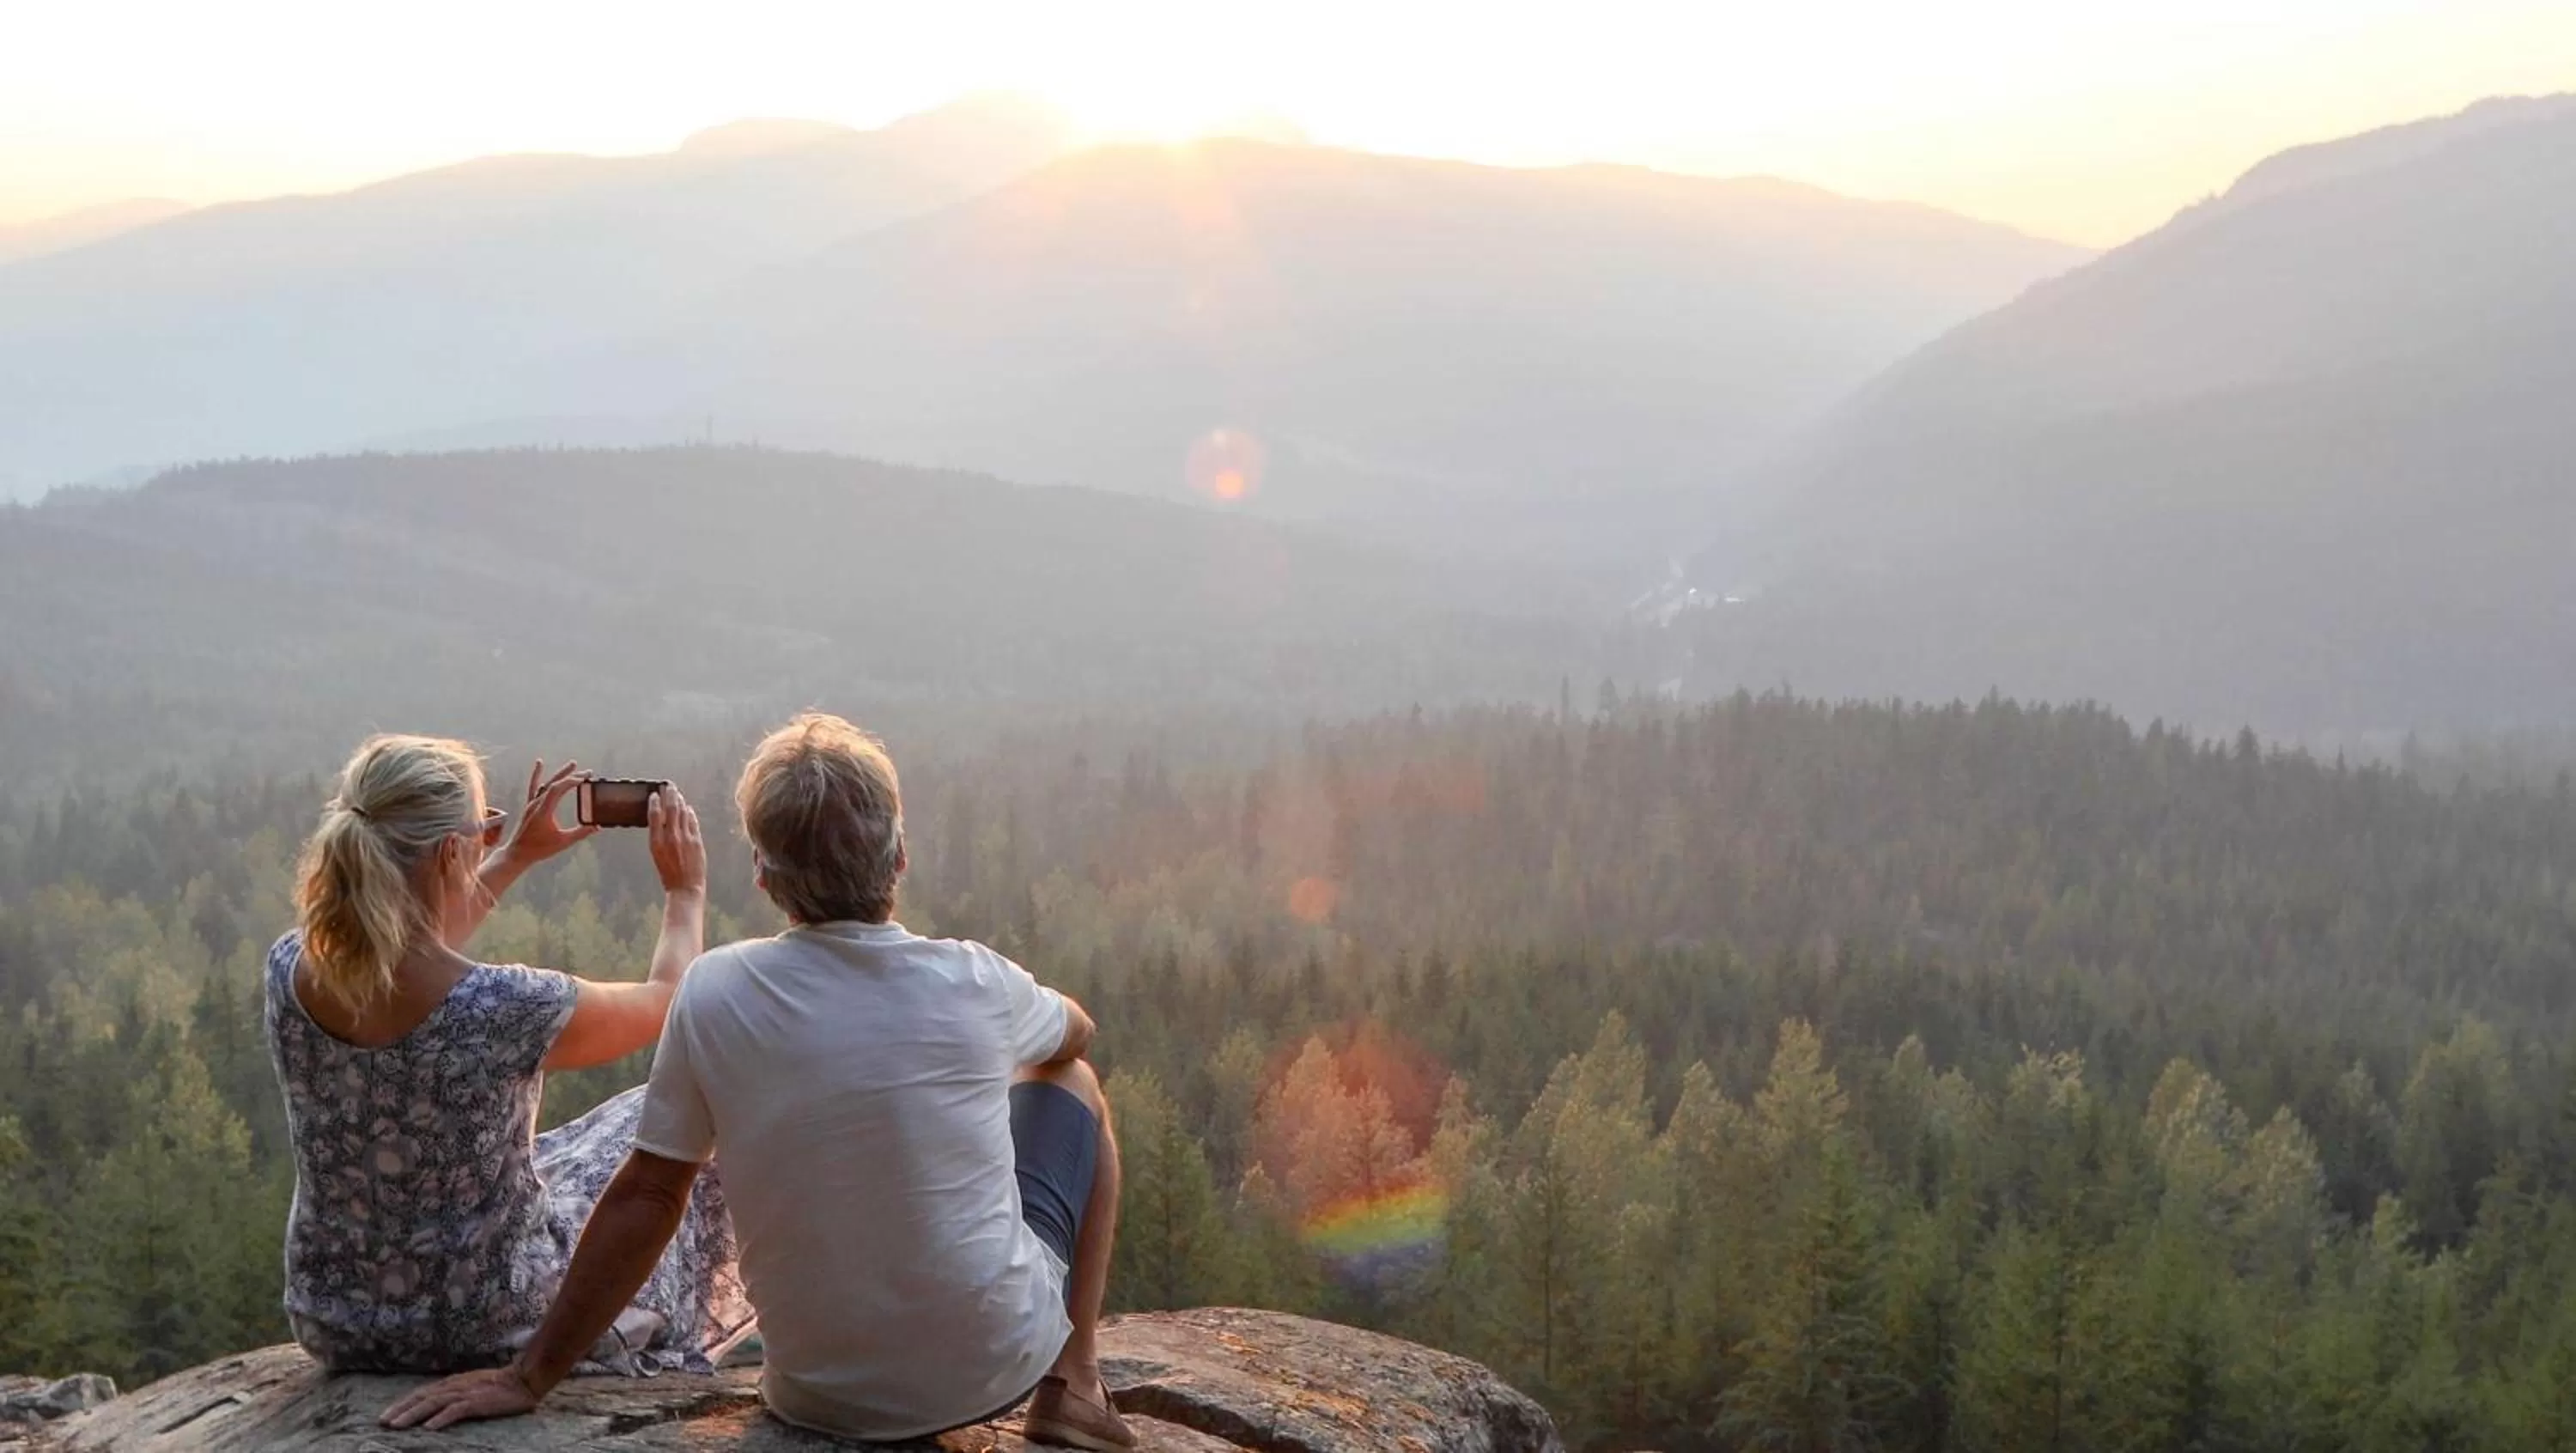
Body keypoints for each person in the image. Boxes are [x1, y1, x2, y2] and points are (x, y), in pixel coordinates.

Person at [384, 713, 1133, 1450]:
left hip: (818, 1399)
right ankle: (1074, 1382)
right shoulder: (975, 978)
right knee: (1075, 1083)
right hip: (993, 1370)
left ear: (765, 877)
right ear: (898, 858)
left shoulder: (717, 991)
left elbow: (649, 1195)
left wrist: (530, 1376)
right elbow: (1076, 1033)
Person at [267, 735, 750, 1376]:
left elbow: (401, 943)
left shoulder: (290, 968)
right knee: (680, 1121)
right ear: (450, 852)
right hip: (483, 1321)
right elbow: (667, 1001)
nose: (491, 838)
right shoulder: (504, 1007)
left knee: (565, 1155)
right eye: (484, 830)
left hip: (334, 1317)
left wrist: (515, 853)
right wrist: (685, 893)